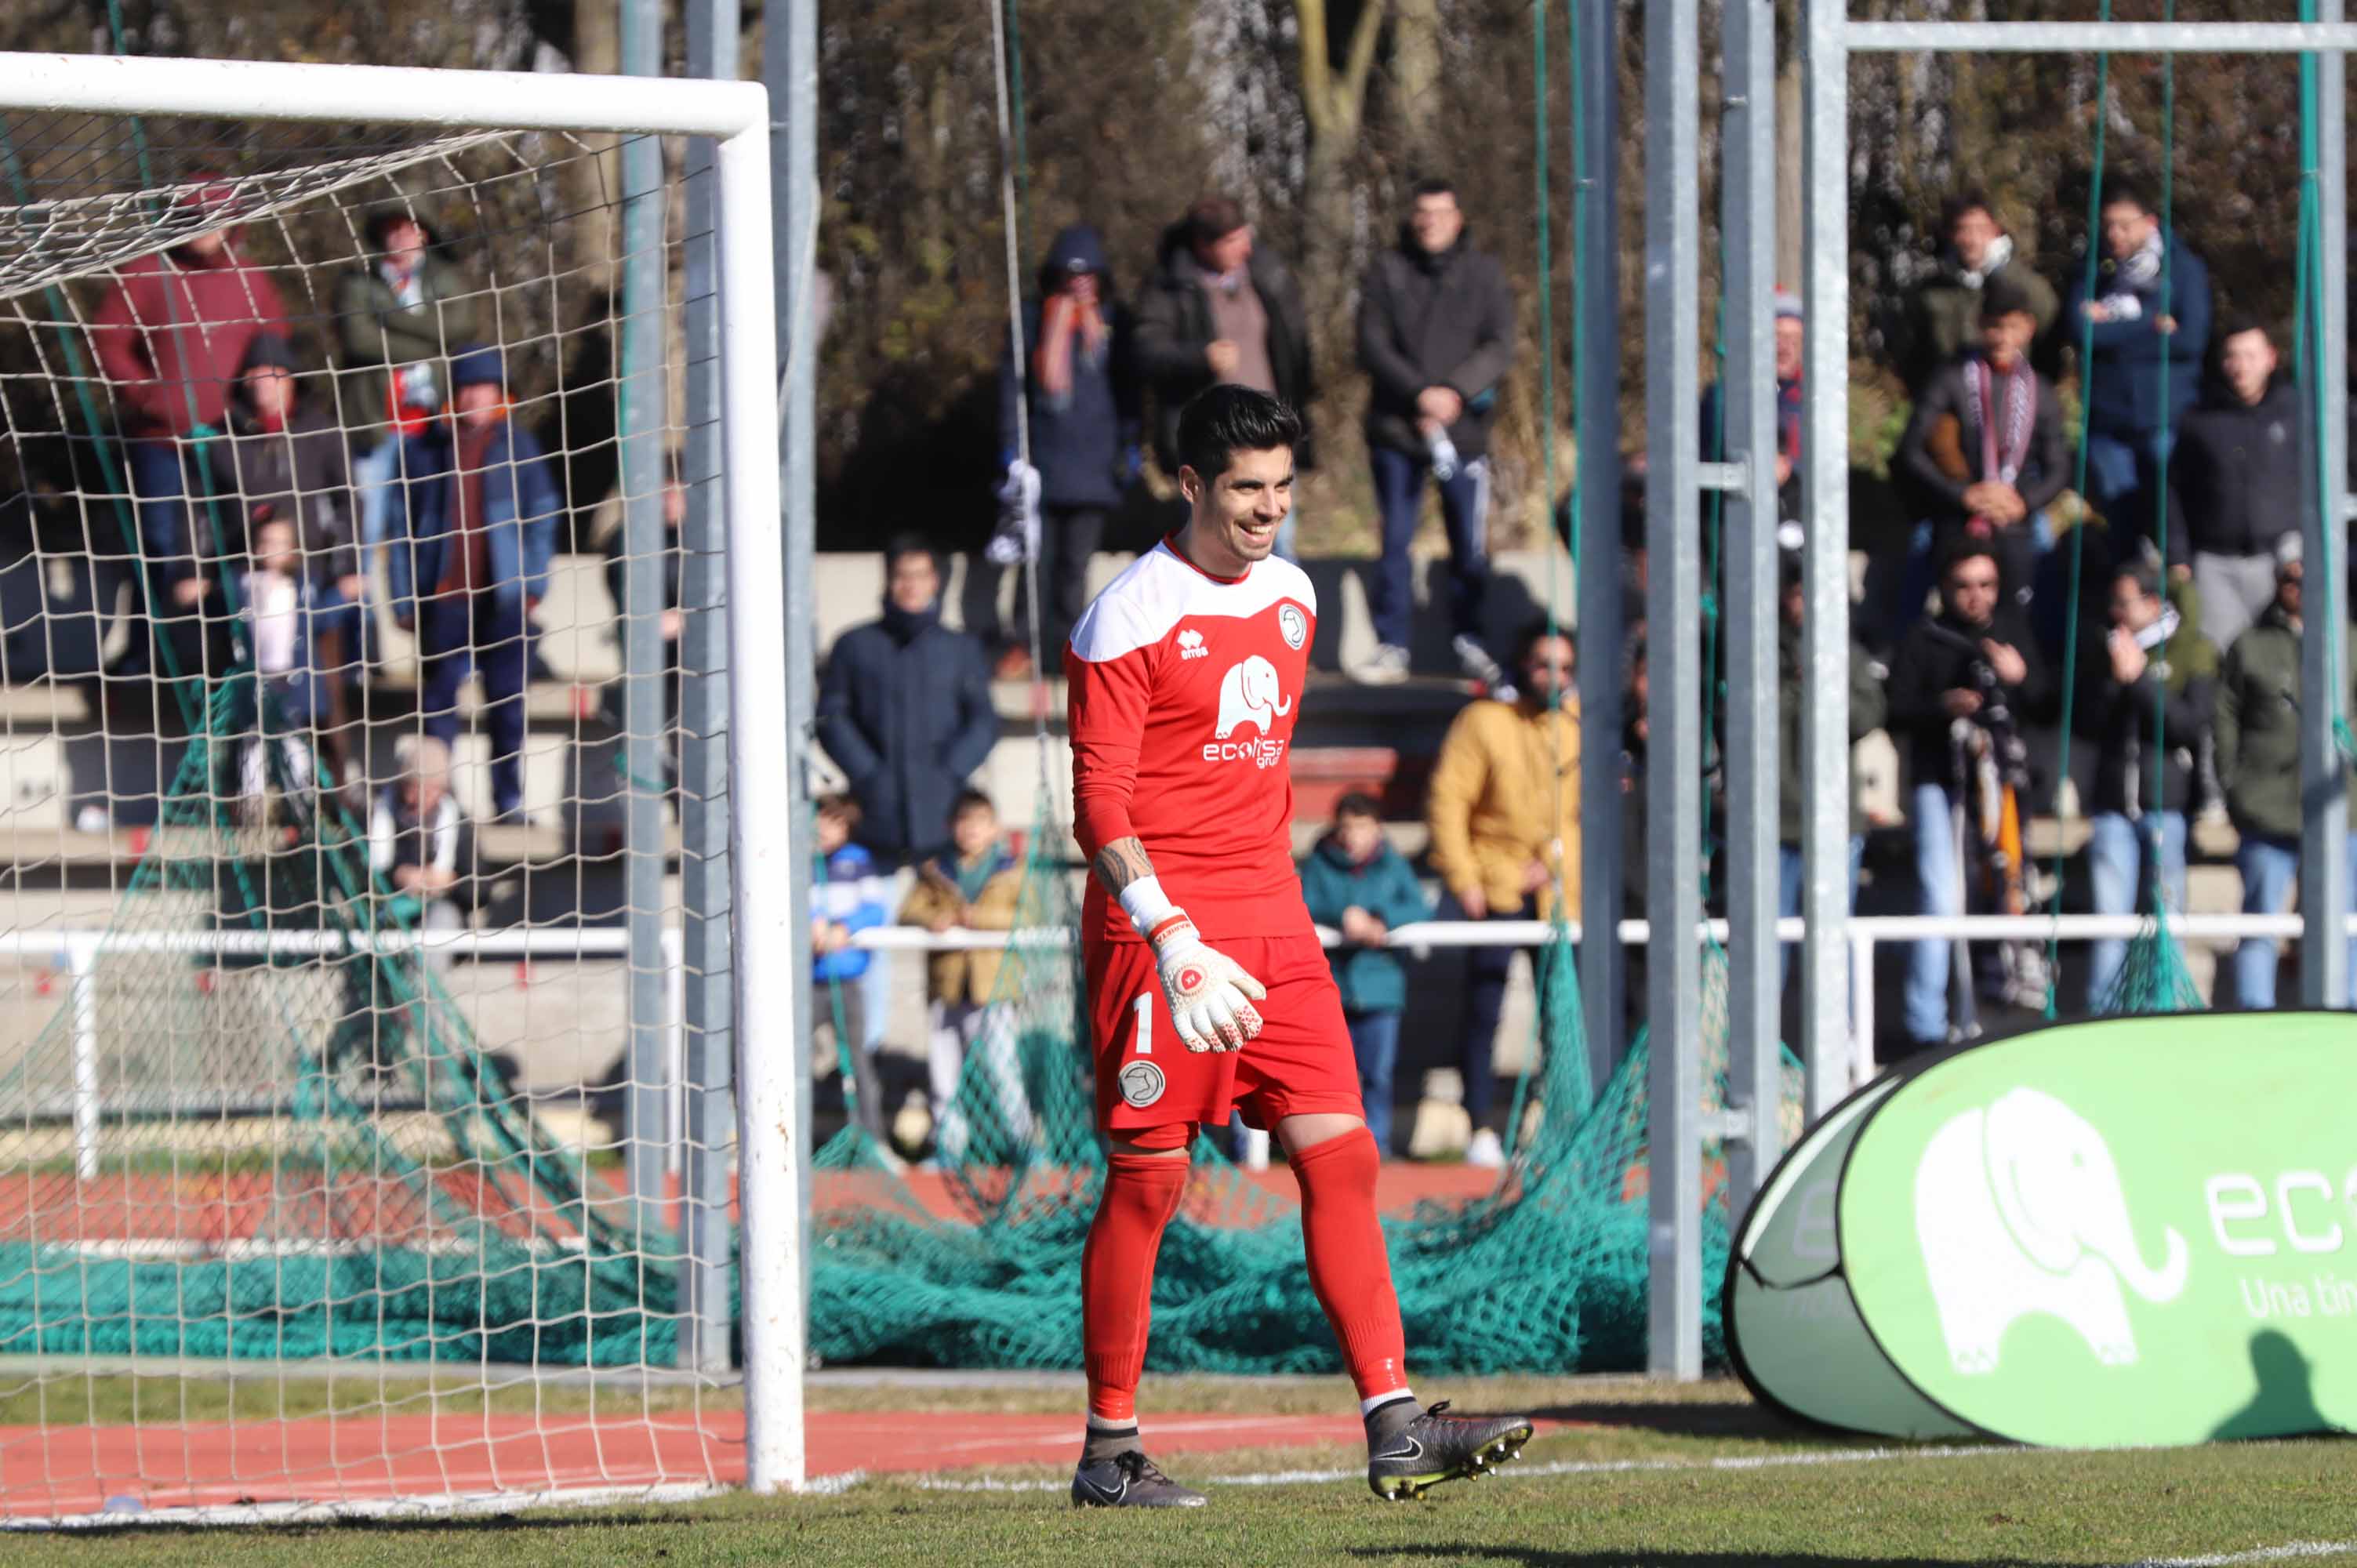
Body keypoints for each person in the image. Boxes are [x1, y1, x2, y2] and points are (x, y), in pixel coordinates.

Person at [1063, 383, 1531, 1507]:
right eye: (1244, 491)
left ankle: (1394, 1420)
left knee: (1344, 1155)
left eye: (1281, 488)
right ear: (1190, 487)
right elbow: (1099, 809)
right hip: (1161, 937)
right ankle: (1109, 1451)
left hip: (1276, 925)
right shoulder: (1126, 615)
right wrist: (1170, 938)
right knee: (1148, 1183)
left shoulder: (1293, 594)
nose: (1268, 511)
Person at [87, 180, 289, 675]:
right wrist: (146, 393)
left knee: (227, 540)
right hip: (158, 441)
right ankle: (146, 650)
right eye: (197, 218)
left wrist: (258, 402)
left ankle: (219, 651)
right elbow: (107, 340)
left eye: (218, 218)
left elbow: (275, 344)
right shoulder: (147, 271)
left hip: (228, 441)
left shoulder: (250, 279)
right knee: (158, 541)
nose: (207, 229)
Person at [1422, 620, 1581, 1169]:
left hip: (1561, 898)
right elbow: (1449, 801)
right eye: (1544, 664)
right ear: (1522, 665)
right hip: (1495, 891)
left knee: (1564, 1015)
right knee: (1483, 1010)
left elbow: (1589, 812)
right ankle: (1480, 1125)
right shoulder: (1484, 721)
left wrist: (1556, 865)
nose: (1554, 677)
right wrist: (1465, 879)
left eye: (1565, 667)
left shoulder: (1580, 724)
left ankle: (1562, 1123)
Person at [1353, 178, 1517, 689]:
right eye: (1422, 213)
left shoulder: (1484, 274)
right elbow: (1371, 343)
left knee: (1468, 542)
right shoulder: (1387, 271)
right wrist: (1419, 394)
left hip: (1463, 431)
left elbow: (1500, 344)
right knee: (1395, 540)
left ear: (1458, 217)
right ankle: (1391, 644)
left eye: (1441, 212)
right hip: (1396, 430)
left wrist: (1453, 393)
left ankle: (1471, 640)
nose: (1431, 222)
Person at [387, 345, 560, 825]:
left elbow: (544, 516)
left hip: (504, 600)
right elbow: (400, 530)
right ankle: (438, 805)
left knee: (507, 705)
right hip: (444, 600)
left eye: (485, 387)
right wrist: (404, 597)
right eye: (467, 387)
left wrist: (533, 582)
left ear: (500, 394)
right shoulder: (423, 450)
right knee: (439, 709)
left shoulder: (519, 446)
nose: (475, 397)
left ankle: (508, 800)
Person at [1887, 539, 2050, 1045]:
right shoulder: (1924, 637)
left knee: (2007, 890)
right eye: (1964, 586)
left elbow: (2047, 703)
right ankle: (1926, 1024)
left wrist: (2019, 679)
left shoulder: (2012, 634)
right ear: (1945, 587)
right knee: (1941, 896)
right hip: (1943, 783)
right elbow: (1895, 710)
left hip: (2001, 789)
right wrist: (1943, 707)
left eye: (1986, 586)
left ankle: (2001, 1000)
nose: (1976, 597)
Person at [213, 335, 365, 786]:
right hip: (247, 592)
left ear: (292, 380)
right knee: (243, 700)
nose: (265, 384)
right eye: (256, 375)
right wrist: (196, 572)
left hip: (312, 586)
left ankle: (331, 795)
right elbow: (198, 509)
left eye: (274, 375)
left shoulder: (320, 432)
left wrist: (348, 566)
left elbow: (349, 502)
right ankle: (241, 797)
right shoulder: (225, 438)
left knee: (325, 696)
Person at [991, 225, 1140, 679]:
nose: (1078, 284)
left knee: (1075, 565)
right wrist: (1009, 446)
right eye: (1069, 275)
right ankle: (1023, 642)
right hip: (1041, 463)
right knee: (1035, 558)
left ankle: (1066, 646)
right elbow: (1009, 388)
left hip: (1094, 467)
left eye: (1088, 274)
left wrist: (1130, 445)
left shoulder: (1114, 326)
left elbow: (1130, 390)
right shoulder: (1034, 321)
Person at [2215, 538, 2357, 1007]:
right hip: (2266, 811)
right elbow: (2225, 716)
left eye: (2309, 578)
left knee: (2344, 925)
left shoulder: (2350, 640)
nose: (2299, 588)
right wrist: (2233, 786)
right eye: (2290, 578)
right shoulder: (2250, 645)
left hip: (2341, 812)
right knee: (2260, 924)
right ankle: (2257, 1016)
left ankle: (2342, 1016)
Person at [1134, 195, 1316, 559]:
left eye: (1244, 236)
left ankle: (1277, 610)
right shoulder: (1172, 285)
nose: (1245, 248)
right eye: (1232, 242)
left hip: (1270, 429)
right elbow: (1146, 349)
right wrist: (1199, 357)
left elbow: (1293, 340)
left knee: (1279, 535)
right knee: (1215, 539)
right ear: (1204, 245)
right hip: (1214, 438)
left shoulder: (1265, 272)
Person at [2072, 554, 2215, 1009]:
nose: (2116, 611)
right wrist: (2115, 680)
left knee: (2166, 918)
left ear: (2153, 603)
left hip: (2166, 805)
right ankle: (2103, 1012)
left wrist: (2139, 683)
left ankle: (2164, 1008)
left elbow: (2188, 725)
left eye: (2124, 601)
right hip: (2113, 804)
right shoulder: (2103, 648)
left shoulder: (2191, 650)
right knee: (2110, 921)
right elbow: (2086, 722)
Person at [1894, 279, 2069, 641]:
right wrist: (1963, 495)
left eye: (2012, 327)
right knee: (1917, 570)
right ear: (1980, 325)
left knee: (2044, 587)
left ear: (2028, 329)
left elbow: (2059, 467)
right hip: (1957, 512)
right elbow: (1910, 450)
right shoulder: (1951, 378)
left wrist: (2024, 502)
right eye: (1994, 326)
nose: (2002, 337)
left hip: (2015, 516)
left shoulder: (2042, 391)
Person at [815, 536, 998, 863]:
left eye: (920, 575)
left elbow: (983, 719)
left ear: (934, 582)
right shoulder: (854, 645)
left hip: (944, 818)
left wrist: (951, 770)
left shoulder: (961, 649)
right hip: (874, 821)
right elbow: (832, 715)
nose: (911, 585)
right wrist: (868, 772)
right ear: (888, 581)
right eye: (902, 576)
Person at [334, 205, 481, 580]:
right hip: (376, 425)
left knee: (423, 530)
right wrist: (431, 344)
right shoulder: (358, 281)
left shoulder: (446, 279)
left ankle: (416, 616)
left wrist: (391, 318)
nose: (399, 237)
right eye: (391, 230)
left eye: (407, 229)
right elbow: (362, 340)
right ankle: (360, 627)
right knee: (365, 531)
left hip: (432, 428)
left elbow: (462, 325)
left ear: (424, 234)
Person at [2064, 178, 2211, 549]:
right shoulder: (2092, 270)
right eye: (2108, 224)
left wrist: (2112, 328)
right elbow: (2081, 333)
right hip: (2108, 424)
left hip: (2165, 419)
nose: (2115, 234)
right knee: (2120, 525)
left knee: (2172, 523)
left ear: (2150, 222)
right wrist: (2151, 324)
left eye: (2124, 224)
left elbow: (2191, 340)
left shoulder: (2184, 270)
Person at [1296, 793, 1430, 1157]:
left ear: (1377, 828)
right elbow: (1300, 901)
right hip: (1331, 988)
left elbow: (1419, 907)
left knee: (1377, 1074)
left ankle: (1377, 1147)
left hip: (1381, 987)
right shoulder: (1318, 864)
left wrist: (1381, 919)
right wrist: (1343, 915)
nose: (1353, 836)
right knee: (1330, 1079)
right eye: (1347, 827)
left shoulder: (1392, 864)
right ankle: (1330, 1150)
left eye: (1361, 827)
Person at [896, 788, 1026, 1163]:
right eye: (964, 823)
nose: (971, 832)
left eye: (980, 823)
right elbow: (909, 911)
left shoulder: (1010, 870)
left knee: (1003, 1072)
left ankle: (1019, 1144)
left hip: (994, 988)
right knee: (944, 1075)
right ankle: (948, 1147)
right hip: (948, 988)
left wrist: (977, 921)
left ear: (995, 828)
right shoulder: (936, 870)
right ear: (951, 827)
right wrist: (934, 920)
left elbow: (1027, 915)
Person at [1774, 553, 1887, 985]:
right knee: (1770, 942)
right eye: (1800, 595)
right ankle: (1767, 1045)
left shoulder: (1847, 655)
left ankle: (1841, 1044)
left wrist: (1823, 687)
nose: (1808, 605)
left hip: (1835, 824)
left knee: (1833, 943)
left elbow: (1868, 717)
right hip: (1774, 826)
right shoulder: (1757, 652)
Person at [2166, 319, 2308, 656]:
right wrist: (2178, 554)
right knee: (2219, 657)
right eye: (2233, 356)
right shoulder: (2198, 419)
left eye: (2250, 355)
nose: (2240, 366)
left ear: (2271, 358)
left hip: (2282, 559)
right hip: (2217, 563)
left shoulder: (2296, 411)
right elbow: (2173, 490)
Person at [1900, 189, 2061, 396]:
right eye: (1963, 230)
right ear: (1951, 234)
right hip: (1949, 404)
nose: (1972, 240)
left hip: (2009, 402)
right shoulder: (1931, 292)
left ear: (1995, 230)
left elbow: (2051, 344)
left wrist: (2035, 397)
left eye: (1981, 230)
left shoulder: (2028, 287)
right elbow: (1914, 355)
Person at [812, 792, 890, 1145]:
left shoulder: (859, 862)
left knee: (857, 1062)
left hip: (847, 981)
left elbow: (876, 908)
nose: (824, 830)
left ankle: (871, 1141)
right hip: (807, 983)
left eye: (834, 823)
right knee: (793, 1062)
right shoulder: (797, 861)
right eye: (820, 821)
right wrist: (809, 926)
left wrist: (843, 928)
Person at [234, 517, 325, 817]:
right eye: (267, 543)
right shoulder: (245, 585)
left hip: (291, 676)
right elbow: (241, 617)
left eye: (282, 544)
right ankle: (253, 802)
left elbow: (318, 617)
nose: (273, 550)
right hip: (259, 676)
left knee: (294, 740)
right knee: (254, 740)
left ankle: (300, 802)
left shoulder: (301, 587)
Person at [1701, 290, 1806, 528]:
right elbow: (1705, 456)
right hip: (1735, 524)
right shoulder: (1725, 396)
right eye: (1778, 337)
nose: (1786, 348)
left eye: (1795, 339)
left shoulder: (1813, 401)